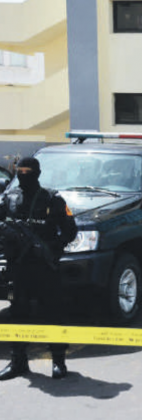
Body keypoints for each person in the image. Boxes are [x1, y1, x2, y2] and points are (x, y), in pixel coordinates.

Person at [0, 157, 77, 380]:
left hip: (44, 267)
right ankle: (18, 361)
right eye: (21, 171)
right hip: (17, 268)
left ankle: (59, 360)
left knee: (53, 312)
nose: (24, 175)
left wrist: (53, 248)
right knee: (17, 313)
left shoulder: (52, 199)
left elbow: (70, 230)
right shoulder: (9, 198)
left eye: (29, 171)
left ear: (38, 173)